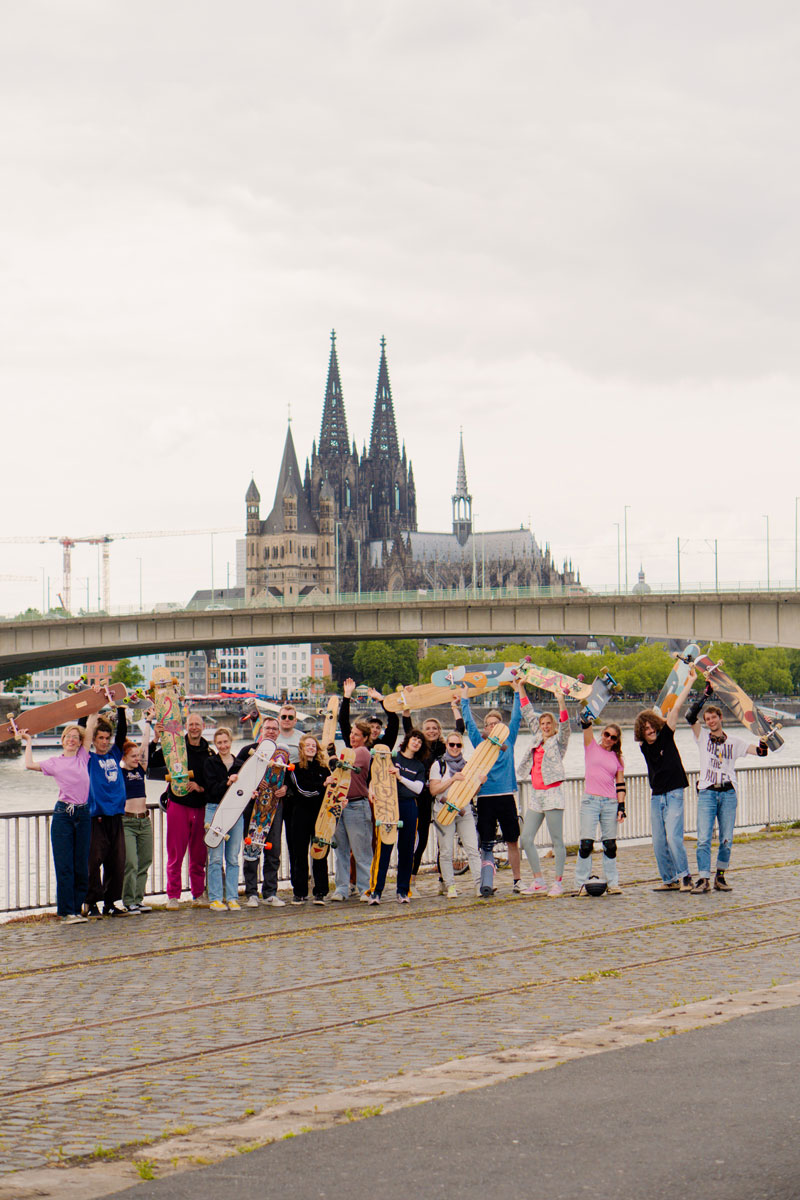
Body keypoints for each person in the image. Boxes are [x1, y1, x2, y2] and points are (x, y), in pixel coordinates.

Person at [686, 686, 769, 894]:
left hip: (728, 793)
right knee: (703, 838)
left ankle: (720, 876)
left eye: (713, 718)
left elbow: (761, 752)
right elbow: (690, 716)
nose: (710, 722)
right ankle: (703, 878)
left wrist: (764, 736)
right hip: (707, 792)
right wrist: (706, 694)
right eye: (707, 719)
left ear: (720, 718)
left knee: (726, 839)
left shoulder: (735, 742)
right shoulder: (702, 737)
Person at [22, 717, 99, 924]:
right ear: (62, 740)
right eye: (68, 737)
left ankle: (76, 909)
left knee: (81, 865)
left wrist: (93, 710)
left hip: (83, 814)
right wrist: (28, 741)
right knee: (65, 865)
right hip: (64, 815)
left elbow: (90, 727)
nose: (71, 740)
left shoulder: (82, 757)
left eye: (75, 737)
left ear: (80, 742)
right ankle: (66, 912)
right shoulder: (54, 763)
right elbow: (29, 764)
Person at [634, 667, 697, 893]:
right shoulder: (643, 747)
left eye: (652, 726)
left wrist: (689, 681)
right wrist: (650, 716)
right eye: (646, 729)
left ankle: (685, 877)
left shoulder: (667, 736)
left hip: (674, 792)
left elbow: (676, 707)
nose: (650, 730)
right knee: (659, 841)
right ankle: (669, 879)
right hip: (657, 796)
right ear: (641, 732)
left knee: (673, 837)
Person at [459, 679, 524, 895]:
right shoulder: (480, 743)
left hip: (506, 796)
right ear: (485, 728)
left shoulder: (509, 740)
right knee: (486, 842)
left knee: (512, 840)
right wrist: (465, 698)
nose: (493, 727)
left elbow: (517, 717)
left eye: (497, 723)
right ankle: (486, 883)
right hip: (486, 798)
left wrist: (517, 691)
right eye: (489, 724)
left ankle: (517, 881)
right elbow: (469, 723)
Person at [148, 711, 214, 910]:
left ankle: (198, 894)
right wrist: (156, 740)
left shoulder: (209, 753)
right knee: (175, 853)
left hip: (200, 807)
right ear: (186, 726)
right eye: (191, 724)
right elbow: (151, 764)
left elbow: (214, 782)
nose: (194, 728)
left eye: (197, 724)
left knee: (199, 855)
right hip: (178, 804)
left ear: (203, 727)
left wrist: (200, 787)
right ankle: (173, 895)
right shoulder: (175, 747)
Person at [518, 685, 570, 897]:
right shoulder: (537, 738)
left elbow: (566, 726)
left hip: (552, 794)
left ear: (553, 725)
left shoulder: (559, 742)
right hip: (536, 794)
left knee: (556, 840)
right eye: (543, 724)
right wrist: (520, 687)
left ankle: (558, 882)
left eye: (549, 723)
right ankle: (539, 880)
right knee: (526, 838)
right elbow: (528, 713)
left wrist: (561, 701)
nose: (545, 726)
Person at [234, 714, 288, 908]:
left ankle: (270, 892)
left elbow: (291, 779)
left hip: (274, 808)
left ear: (278, 732)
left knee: (273, 851)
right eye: (268, 728)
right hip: (253, 809)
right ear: (261, 731)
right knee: (251, 849)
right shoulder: (247, 751)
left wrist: (286, 789)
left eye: (274, 729)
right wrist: (253, 783)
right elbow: (235, 775)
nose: (271, 732)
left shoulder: (283, 754)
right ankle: (251, 893)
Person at [82, 702, 130, 918]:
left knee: (117, 862)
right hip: (96, 817)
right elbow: (82, 732)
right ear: (93, 740)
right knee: (93, 862)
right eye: (100, 738)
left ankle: (111, 903)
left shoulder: (114, 754)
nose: (104, 742)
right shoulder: (88, 758)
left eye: (106, 738)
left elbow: (122, 735)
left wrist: (121, 709)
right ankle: (91, 903)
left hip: (115, 817)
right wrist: (89, 712)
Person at [368, 730, 426, 904]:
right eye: (414, 739)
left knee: (407, 850)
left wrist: (400, 777)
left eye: (419, 742)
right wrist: (371, 790)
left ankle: (403, 890)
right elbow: (376, 774)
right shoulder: (393, 757)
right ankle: (376, 891)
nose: (416, 743)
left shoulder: (419, 766)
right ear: (407, 740)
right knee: (384, 847)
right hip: (389, 804)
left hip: (409, 806)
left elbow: (418, 789)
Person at [429, 728, 482, 897]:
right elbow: (433, 790)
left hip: (464, 811)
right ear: (446, 745)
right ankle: (450, 886)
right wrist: (452, 779)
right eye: (452, 744)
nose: (455, 748)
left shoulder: (467, 766)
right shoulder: (438, 765)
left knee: (472, 848)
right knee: (446, 851)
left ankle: (479, 885)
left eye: (458, 745)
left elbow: (471, 792)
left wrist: (479, 783)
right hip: (443, 811)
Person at [575, 719, 626, 896]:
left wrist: (621, 806)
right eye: (607, 734)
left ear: (616, 741)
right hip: (590, 801)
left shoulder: (618, 758)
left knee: (610, 845)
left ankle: (613, 883)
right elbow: (586, 727)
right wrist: (587, 720)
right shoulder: (591, 747)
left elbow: (620, 784)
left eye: (613, 737)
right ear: (602, 734)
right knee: (586, 844)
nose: (609, 739)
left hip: (610, 802)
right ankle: (581, 884)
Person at [284, 734, 331, 905]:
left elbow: (331, 794)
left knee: (320, 852)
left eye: (314, 746)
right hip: (300, 815)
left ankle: (320, 892)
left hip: (320, 816)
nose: (311, 748)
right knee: (299, 854)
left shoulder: (324, 769)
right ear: (301, 749)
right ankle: (300, 892)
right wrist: (322, 786)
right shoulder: (294, 768)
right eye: (308, 745)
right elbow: (302, 791)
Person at [330, 719, 374, 902]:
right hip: (340, 804)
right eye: (351, 733)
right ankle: (341, 888)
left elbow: (342, 765)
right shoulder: (348, 751)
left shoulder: (362, 752)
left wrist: (331, 757)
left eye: (357, 734)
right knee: (340, 850)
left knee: (361, 850)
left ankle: (366, 889)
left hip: (356, 805)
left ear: (365, 738)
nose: (352, 737)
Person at [204, 726, 243, 912]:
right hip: (215, 810)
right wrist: (227, 782)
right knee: (215, 858)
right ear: (215, 744)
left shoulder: (240, 764)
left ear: (231, 742)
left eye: (225, 742)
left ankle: (233, 897)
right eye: (219, 743)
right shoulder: (210, 763)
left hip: (235, 811)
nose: (223, 745)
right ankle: (216, 898)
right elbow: (211, 789)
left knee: (233, 858)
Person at [121, 720, 153, 913]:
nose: (136, 758)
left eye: (137, 756)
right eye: (132, 756)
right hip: (128, 822)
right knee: (131, 862)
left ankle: (138, 899)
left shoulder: (140, 769)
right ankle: (128, 900)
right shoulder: (119, 773)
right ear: (124, 757)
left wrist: (148, 722)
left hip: (144, 821)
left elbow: (145, 744)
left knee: (145, 861)